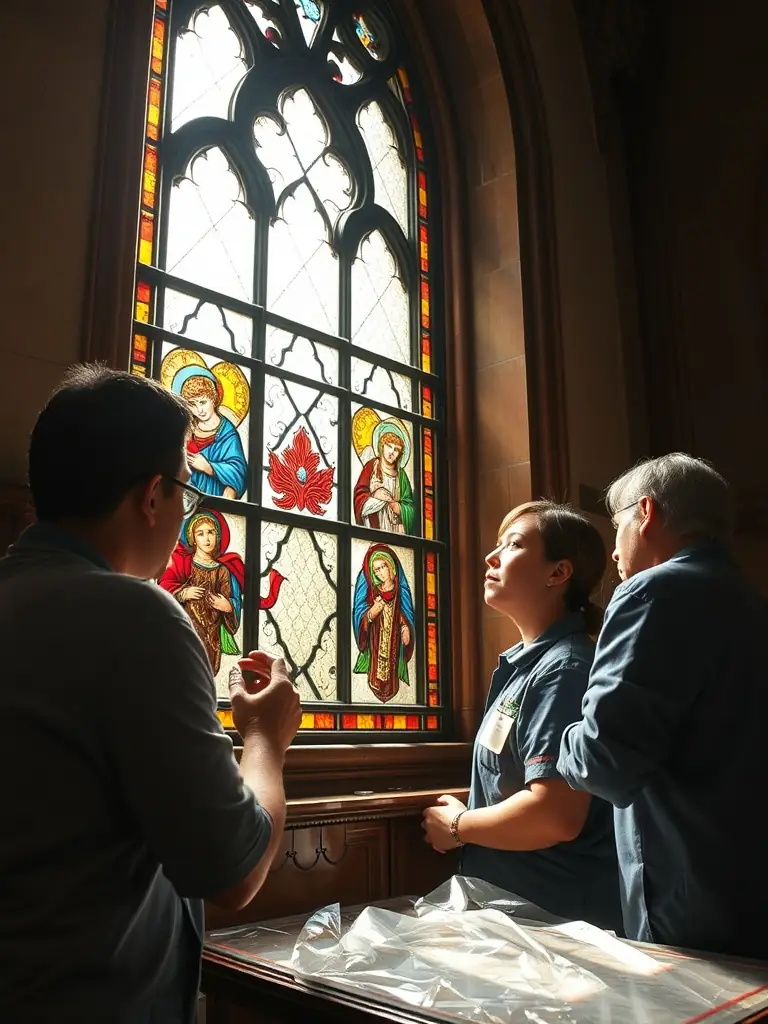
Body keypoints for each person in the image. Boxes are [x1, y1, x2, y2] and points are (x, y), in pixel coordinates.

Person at [0, 365, 301, 1022]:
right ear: (151, 496)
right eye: (187, 494)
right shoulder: (136, 616)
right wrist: (265, 738)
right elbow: (236, 869)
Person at [558, 454, 768, 958]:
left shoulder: (651, 592)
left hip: (689, 902)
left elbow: (604, 763)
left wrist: (564, 743)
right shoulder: (751, 602)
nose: (613, 553)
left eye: (617, 527)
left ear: (645, 512)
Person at [422, 502, 621, 931]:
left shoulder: (563, 671)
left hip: (554, 920)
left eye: (512, 545)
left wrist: (459, 825)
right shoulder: (530, 666)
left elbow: (555, 814)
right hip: (517, 915)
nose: (491, 558)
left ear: (558, 573)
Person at [160, 509, 244, 676]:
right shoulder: (185, 564)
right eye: (200, 533)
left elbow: (231, 600)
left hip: (212, 634)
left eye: (211, 532)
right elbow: (165, 588)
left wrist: (227, 606)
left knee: (206, 673)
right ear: (193, 538)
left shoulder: (222, 571)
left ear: (218, 536)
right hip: (186, 628)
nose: (206, 538)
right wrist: (183, 593)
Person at [352, 543, 415, 702]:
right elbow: (363, 617)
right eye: (376, 570)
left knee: (390, 667)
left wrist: (406, 628)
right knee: (378, 669)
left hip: (393, 644)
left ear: (391, 566)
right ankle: (376, 683)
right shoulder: (374, 592)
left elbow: (403, 614)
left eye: (383, 566)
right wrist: (372, 612)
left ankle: (390, 686)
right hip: (376, 643)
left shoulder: (400, 592)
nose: (380, 572)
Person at [353, 417, 414, 534]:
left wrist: (399, 508)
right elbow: (359, 495)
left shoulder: (402, 476)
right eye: (389, 446)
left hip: (396, 529)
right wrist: (374, 496)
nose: (391, 452)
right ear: (382, 445)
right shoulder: (371, 466)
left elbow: (411, 507)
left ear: (400, 454)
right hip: (375, 526)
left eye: (396, 449)